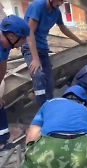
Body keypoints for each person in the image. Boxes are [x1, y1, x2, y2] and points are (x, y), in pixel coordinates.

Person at [21, 85, 87, 168]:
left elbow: (33, 133)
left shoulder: (49, 103)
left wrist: (30, 155)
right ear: (83, 103)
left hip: (49, 147)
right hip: (85, 149)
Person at [22, 0, 87, 107]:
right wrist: (35, 58)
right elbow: (29, 32)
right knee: (38, 75)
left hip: (43, 48)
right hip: (30, 47)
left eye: (62, 1)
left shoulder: (56, 12)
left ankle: (49, 107)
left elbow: (63, 28)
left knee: (49, 83)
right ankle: (42, 108)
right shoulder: (37, 6)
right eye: (59, 0)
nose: (61, 3)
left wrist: (79, 41)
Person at [0, 15, 30, 150]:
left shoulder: (5, 47)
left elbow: (2, 67)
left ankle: (2, 142)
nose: (25, 41)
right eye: (23, 38)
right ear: (12, 36)